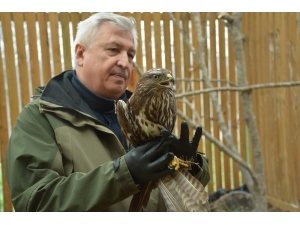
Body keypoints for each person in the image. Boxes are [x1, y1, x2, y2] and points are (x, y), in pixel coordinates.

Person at [5, 12, 210, 212]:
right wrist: (122, 175)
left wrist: (190, 166)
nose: (124, 62)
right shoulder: (41, 117)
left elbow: (176, 193)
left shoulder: (143, 110)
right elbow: (35, 202)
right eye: (114, 50)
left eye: (130, 55)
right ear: (80, 54)